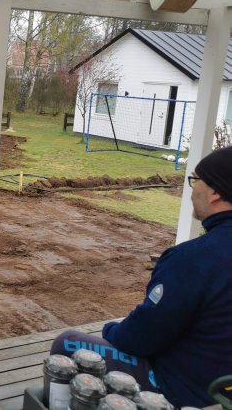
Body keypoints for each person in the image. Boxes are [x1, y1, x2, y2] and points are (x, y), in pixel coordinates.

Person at [50, 146, 232, 408]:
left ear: (215, 192)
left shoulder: (193, 259)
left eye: (195, 180)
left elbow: (139, 338)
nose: (191, 189)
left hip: (193, 391)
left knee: (67, 343)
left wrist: (111, 328)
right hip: (222, 381)